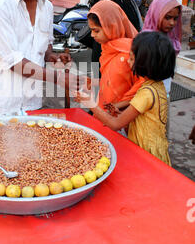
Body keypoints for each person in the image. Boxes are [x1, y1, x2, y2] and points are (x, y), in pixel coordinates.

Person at [73, 31, 176, 165]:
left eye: (132, 58)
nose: (128, 61)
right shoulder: (157, 86)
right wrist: (120, 111)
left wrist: (90, 104)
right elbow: (144, 117)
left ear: (145, 63)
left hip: (147, 156)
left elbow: (116, 124)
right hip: (156, 149)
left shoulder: (146, 93)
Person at [87, 0, 144, 110]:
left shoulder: (131, 53)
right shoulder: (107, 49)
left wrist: (117, 106)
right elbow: (113, 81)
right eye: (91, 30)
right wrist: (93, 82)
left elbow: (141, 89)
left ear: (111, 26)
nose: (92, 35)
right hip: (105, 111)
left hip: (122, 116)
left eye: (96, 31)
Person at [142, 0, 182, 96]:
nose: (172, 23)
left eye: (175, 18)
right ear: (156, 14)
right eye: (167, 18)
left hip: (164, 91)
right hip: (146, 96)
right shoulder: (146, 41)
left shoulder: (171, 37)